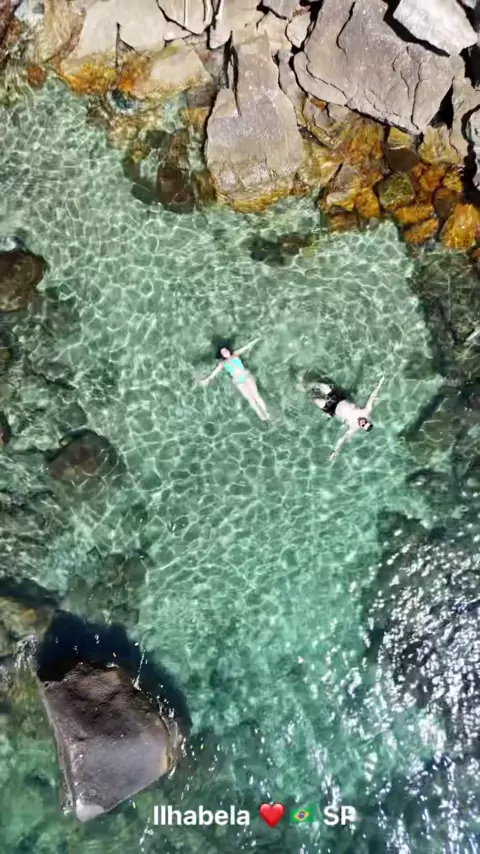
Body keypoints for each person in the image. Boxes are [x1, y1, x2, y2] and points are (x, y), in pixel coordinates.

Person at [311, 377, 384, 460]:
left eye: (363, 425)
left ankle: (305, 390)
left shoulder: (354, 427)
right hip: (338, 398)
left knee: (314, 399)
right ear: (367, 420)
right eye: (365, 421)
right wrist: (379, 384)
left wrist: (335, 451)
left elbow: (342, 439)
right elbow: (372, 397)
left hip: (331, 408)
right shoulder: (366, 411)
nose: (362, 422)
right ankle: (306, 383)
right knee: (317, 385)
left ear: (362, 427)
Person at [198, 338, 270, 421]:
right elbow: (214, 373)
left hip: (246, 376)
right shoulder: (223, 363)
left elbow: (246, 347)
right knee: (251, 399)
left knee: (256, 396)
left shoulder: (235, 354)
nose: (225, 352)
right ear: (222, 355)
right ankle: (261, 415)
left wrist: (256, 340)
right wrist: (206, 380)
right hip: (238, 382)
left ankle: (266, 413)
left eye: (226, 350)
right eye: (223, 352)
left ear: (228, 350)